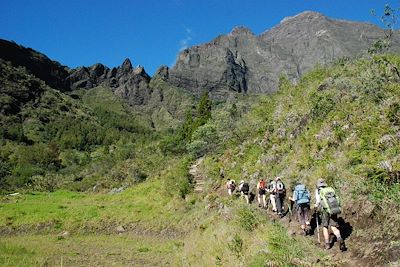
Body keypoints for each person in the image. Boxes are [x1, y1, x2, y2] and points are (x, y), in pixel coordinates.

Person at [315, 178, 346, 251]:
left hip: (325, 211)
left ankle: (327, 244)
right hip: (333, 209)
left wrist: (316, 207)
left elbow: (318, 202)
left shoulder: (318, 191)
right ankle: (339, 238)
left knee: (325, 226)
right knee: (333, 226)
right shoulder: (330, 189)